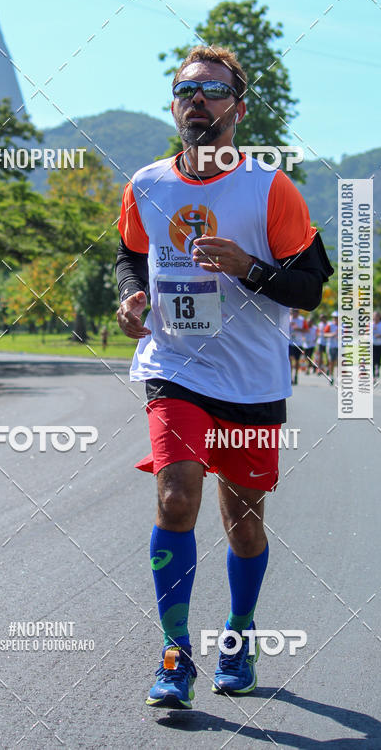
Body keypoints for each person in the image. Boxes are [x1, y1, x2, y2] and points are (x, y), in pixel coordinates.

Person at [115, 45, 333, 710]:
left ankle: (238, 634)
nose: (198, 101)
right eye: (187, 90)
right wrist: (129, 296)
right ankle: (176, 652)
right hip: (174, 367)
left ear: (237, 108)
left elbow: (312, 288)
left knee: (242, 524)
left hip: (251, 380)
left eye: (213, 90)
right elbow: (130, 254)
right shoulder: (147, 184)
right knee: (176, 497)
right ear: (174, 105)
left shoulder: (270, 187)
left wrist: (250, 268)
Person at [288, 309, 306, 385]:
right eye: (293, 311)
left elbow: (306, 330)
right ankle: (290, 377)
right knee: (290, 359)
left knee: (297, 360)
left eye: (296, 311)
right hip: (289, 342)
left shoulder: (302, 320)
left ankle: (296, 376)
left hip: (298, 343)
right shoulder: (288, 318)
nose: (294, 312)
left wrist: (297, 328)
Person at [325, 313, 339, 384]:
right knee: (331, 362)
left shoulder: (343, 325)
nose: (335, 319)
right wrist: (332, 334)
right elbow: (325, 334)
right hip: (331, 346)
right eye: (334, 317)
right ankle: (331, 376)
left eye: (337, 317)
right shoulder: (330, 325)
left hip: (339, 346)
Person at [372, 312, 381, 379]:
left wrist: (380, 335)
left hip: (380, 343)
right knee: (373, 358)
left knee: (378, 358)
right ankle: (373, 372)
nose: (376, 318)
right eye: (374, 316)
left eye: (377, 316)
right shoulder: (370, 324)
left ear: (379, 317)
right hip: (372, 344)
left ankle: (378, 369)